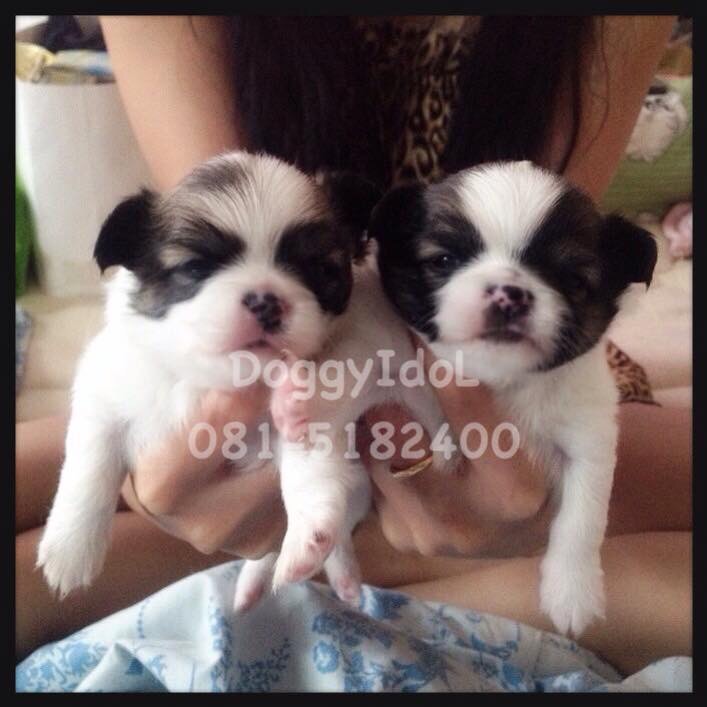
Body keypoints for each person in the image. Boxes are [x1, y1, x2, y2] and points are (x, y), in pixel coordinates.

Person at [16, 16, 690, 676]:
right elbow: (208, 227)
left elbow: (556, 249)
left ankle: (371, 587)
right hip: (290, 374)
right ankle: (388, 580)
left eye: (316, 265)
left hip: (501, 382)